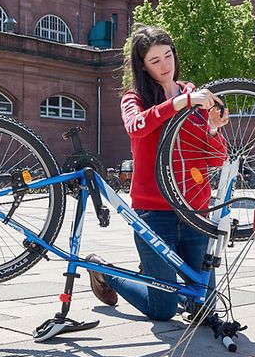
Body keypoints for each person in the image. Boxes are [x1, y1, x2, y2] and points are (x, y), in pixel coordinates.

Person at [87, 25, 229, 321]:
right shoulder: (134, 98)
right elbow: (135, 126)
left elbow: (217, 159)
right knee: (161, 311)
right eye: (155, 61)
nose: (165, 66)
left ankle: (155, 275)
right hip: (154, 211)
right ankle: (104, 272)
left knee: (204, 310)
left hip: (195, 209)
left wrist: (214, 128)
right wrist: (176, 103)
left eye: (168, 56)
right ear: (142, 66)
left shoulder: (194, 95)